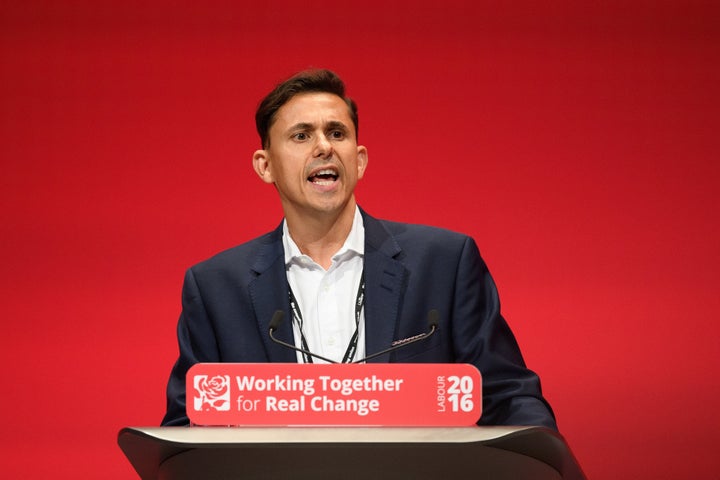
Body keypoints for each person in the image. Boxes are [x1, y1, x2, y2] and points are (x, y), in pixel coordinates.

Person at [161, 69, 557, 429]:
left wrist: (540, 457)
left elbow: (509, 396)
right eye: (301, 136)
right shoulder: (216, 288)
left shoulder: (444, 264)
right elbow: (187, 425)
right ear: (265, 166)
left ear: (360, 159)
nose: (323, 147)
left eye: (337, 133)